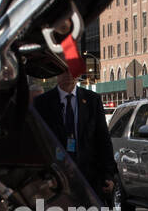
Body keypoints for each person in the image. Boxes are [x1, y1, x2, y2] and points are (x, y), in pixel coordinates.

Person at [33, 69, 118, 202]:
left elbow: (103, 139)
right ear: (56, 74)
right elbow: (37, 142)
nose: (69, 75)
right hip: (56, 179)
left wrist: (108, 175)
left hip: (89, 179)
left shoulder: (92, 100)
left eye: (72, 71)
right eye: (64, 71)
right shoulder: (42, 103)